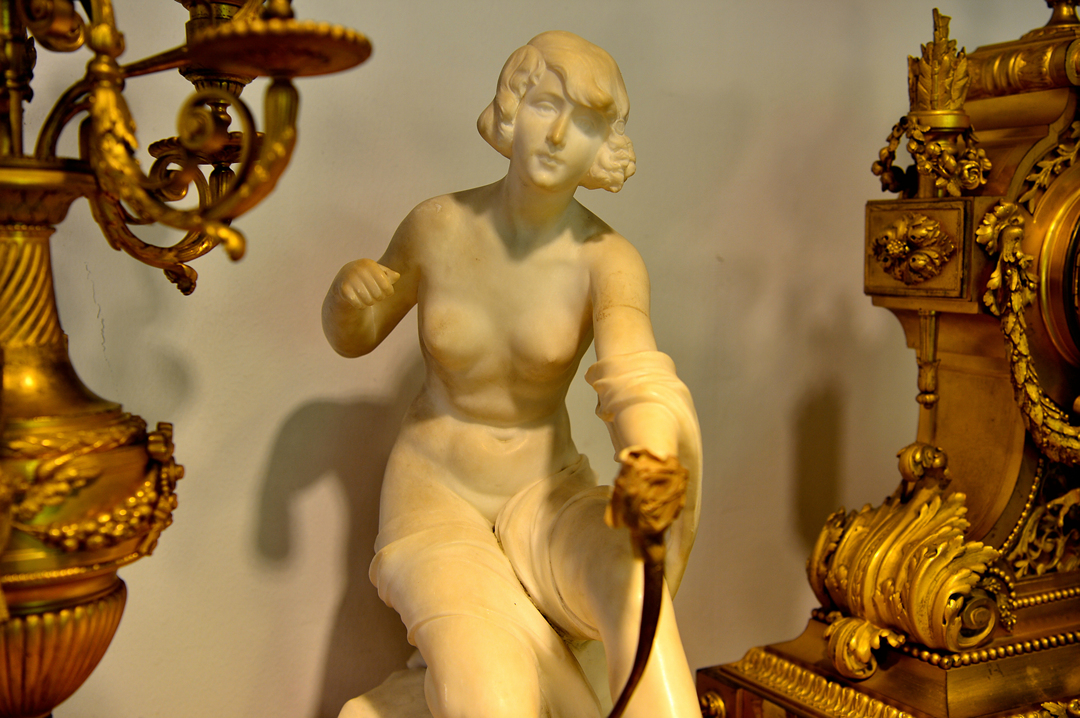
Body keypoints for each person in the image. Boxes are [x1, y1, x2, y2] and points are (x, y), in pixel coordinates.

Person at [323, 31, 703, 718]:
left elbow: (634, 374)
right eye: (544, 104)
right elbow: (356, 336)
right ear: (511, 108)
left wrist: (650, 456)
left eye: (583, 122)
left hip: (547, 495)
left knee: (635, 589)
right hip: (435, 498)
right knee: (495, 697)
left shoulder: (607, 259)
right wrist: (347, 298)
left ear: (603, 145)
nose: (557, 136)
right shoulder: (436, 226)